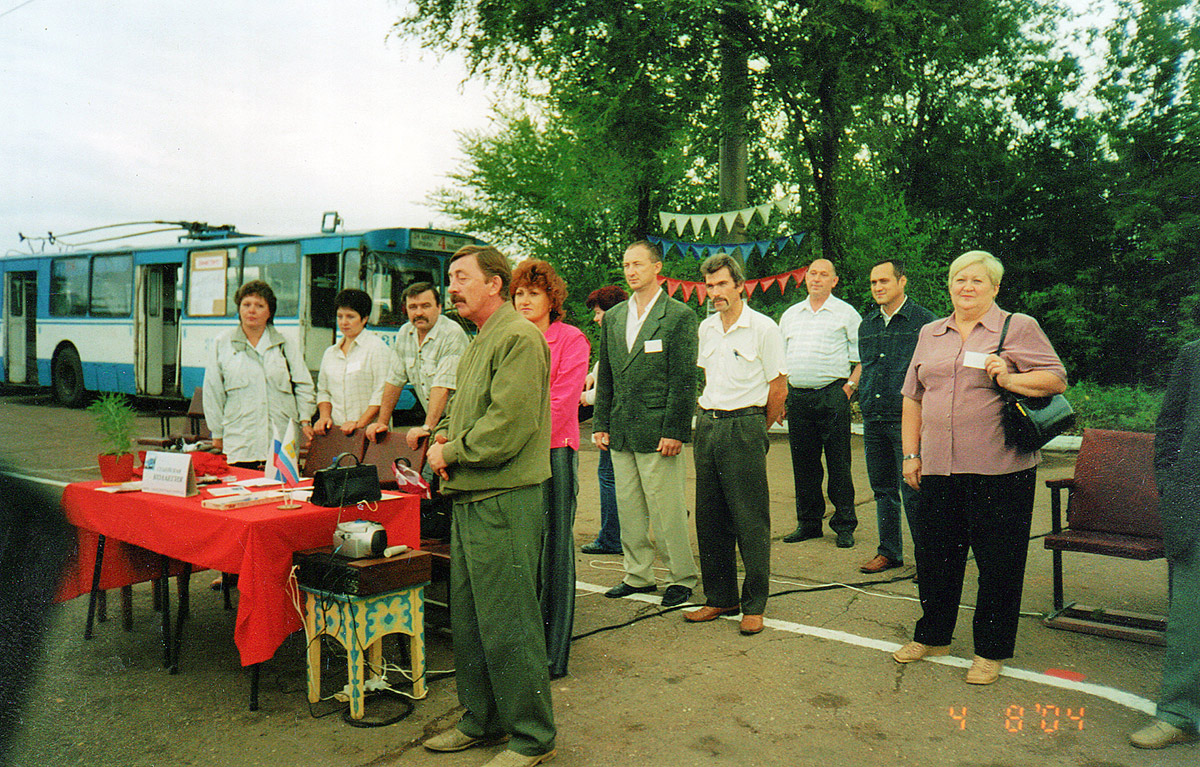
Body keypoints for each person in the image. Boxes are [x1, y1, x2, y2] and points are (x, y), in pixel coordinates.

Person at [894, 250, 1066, 685]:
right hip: (936, 467)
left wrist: (1009, 378)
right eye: (959, 279)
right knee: (934, 558)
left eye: (977, 281)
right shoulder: (931, 332)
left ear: (994, 287)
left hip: (1000, 468)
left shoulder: (1016, 327)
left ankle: (990, 651)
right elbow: (912, 397)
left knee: (998, 564)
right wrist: (911, 454)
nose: (966, 287)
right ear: (948, 285)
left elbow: (1055, 379)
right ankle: (933, 636)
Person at [421, 245, 556, 767]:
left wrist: (448, 452)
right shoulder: (481, 339)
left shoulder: (519, 338)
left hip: (504, 498)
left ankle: (532, 737)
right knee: (473, 618)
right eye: (450, 277)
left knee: (510, 619)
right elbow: (461, 408)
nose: (451, 286)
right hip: (473, 496)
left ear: (494, 284)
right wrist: (443, 436)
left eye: (461, 277)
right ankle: (482, 720)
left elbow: (508, 425)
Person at [683, 254, 786, 636]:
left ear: (740, 285)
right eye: (710, 286)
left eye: (723, 284)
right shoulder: (706, 328)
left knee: (750, 519)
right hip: (708, 424)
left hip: (745, 425)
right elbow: (709, 378)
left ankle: (754, 604)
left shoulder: (763, 328)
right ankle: (720, 597)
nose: (715, 293)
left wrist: (758, 427)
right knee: (710, 519)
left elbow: (778, 387)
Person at [593, 240, 699, 609]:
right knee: (629, 506)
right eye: (625, 264)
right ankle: (638, 574)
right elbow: (605, 374)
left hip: (659, 431)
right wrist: (600, 422)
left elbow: (684, 380)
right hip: (620, 429)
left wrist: (675, 430)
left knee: (666, 508)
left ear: (657, 267)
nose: (631, 270)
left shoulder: (679, 315)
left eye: (638, 263)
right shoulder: (616, 316)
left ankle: (681, 576)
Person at [512, 259, 590, 680]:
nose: (525, 300)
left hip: (553, 451)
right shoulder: (511, 338)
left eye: (533, 294)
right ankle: (525, 643)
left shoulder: (571, 339)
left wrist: (515, 438)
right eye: (519, 293)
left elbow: (562, 402)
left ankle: (553, 654)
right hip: (516, 455)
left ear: (551, 299)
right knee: (525, 549)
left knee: (556, 550)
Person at [1127, 341, 1200, 748]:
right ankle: (1179, 713)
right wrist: (1172, 485)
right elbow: (1169, 427)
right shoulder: (1193, 354)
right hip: (1197, 506)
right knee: (1191, 620)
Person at [855, 260, 936, 574]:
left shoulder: (924, 322)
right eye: (874, 282)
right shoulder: (867, 324)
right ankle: (889, 552)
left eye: (884, 281)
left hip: (907, 419)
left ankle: (927, 562)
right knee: (882, 490)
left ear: (902, 281)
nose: (878, 287)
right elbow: (867, 366)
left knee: (914, 490)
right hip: (873, 417)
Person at [777, 258, 861, 548]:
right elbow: (779, 360)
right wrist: (780, 397)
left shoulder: (846, 314)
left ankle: (844, 524)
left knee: (839, 462)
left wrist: (848, 389)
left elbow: (862, 358)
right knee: (804, 464)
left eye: (824, 275)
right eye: (813, 273)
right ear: (806, 277)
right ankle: (809, 523)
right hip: (797, 397)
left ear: (834, 281)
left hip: (832, 395)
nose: (817, 279)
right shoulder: (790, 315)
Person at [204, 280, 315, 468]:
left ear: (269, 312)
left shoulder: (285, 343)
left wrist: (305, 420)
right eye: (246, 305)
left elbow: (304, 385)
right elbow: (213, 392)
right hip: (240, 442)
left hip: (281, 440)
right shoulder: (222, 343)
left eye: (259, 306)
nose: (251, 311)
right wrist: (217, 434)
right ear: (239, 309)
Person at [365, 282, 469, 451]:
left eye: (425, 306)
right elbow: (394, 381)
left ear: (439, 307)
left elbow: (441, 388)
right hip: (437, 421)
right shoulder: (405, 332)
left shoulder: (452, 334)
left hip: (460, 422)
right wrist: (381, 423)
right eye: (413, 307)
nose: (419, 312)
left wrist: (427, 428)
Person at [579, 285, 628, 556]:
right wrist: (592, 374)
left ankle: (611, 538)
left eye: (599, 313)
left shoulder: (619, 336)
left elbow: (615, 385)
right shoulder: (623, 334)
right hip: (616, 420)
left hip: (612, 422)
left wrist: (585, 397)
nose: (596, 319)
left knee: (609, 478)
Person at [312, 289, 392, 436]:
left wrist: (359, 424)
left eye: (350, 316)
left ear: (364, 318)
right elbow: (323, 391)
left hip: (370, 434)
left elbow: (381, 393)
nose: (344, 322)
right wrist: (324, 417)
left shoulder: (377, 348)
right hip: (336, 433)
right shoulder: (330, 353)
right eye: (340, 316)